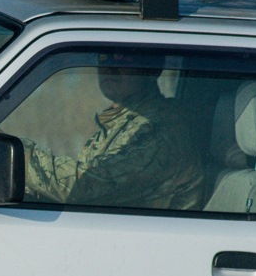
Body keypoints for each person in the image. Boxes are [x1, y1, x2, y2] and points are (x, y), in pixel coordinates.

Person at [21, 61, 205, 210]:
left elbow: (85, 186)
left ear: (153, 68)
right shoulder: (124, 122)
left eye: (123, 57)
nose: (109, 66)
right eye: (104, 57)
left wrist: (14, 157)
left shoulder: (161, 128)